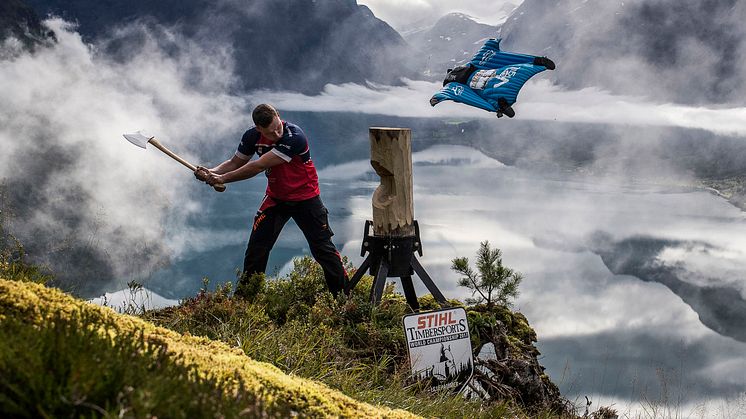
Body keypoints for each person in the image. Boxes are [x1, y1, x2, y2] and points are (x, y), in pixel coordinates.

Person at [195, 104, 347, 298]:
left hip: (306, 198)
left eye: (278, 127)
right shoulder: (252, 136)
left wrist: (222, 179)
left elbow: (258, 166)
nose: (276, 133)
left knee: (322, 249)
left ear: (278, 116)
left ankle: (343, 298)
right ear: (259, 128)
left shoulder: (295, 137)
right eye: (271, 132)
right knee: (257, 249)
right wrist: (211, 172)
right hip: (276, 198)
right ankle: (245, 300)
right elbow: (235, 163)